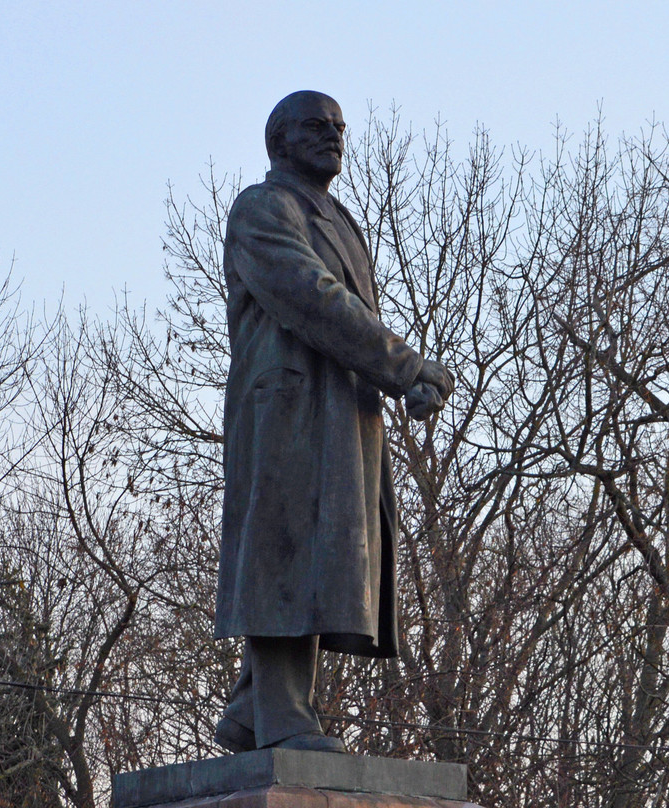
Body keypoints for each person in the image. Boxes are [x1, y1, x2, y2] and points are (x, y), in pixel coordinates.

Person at [213, 90, 454, 754]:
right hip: (286, 410)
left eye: (339, 127)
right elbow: (312, 298)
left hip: (340, 413)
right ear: (279, 141)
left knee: (317, 552)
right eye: (316, 126)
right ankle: (282, 715)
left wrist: (396, 376)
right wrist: (404, 367)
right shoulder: (262, 209)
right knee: (285, 546)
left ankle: (252, 705)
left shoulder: (340, 218)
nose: (333, 136)